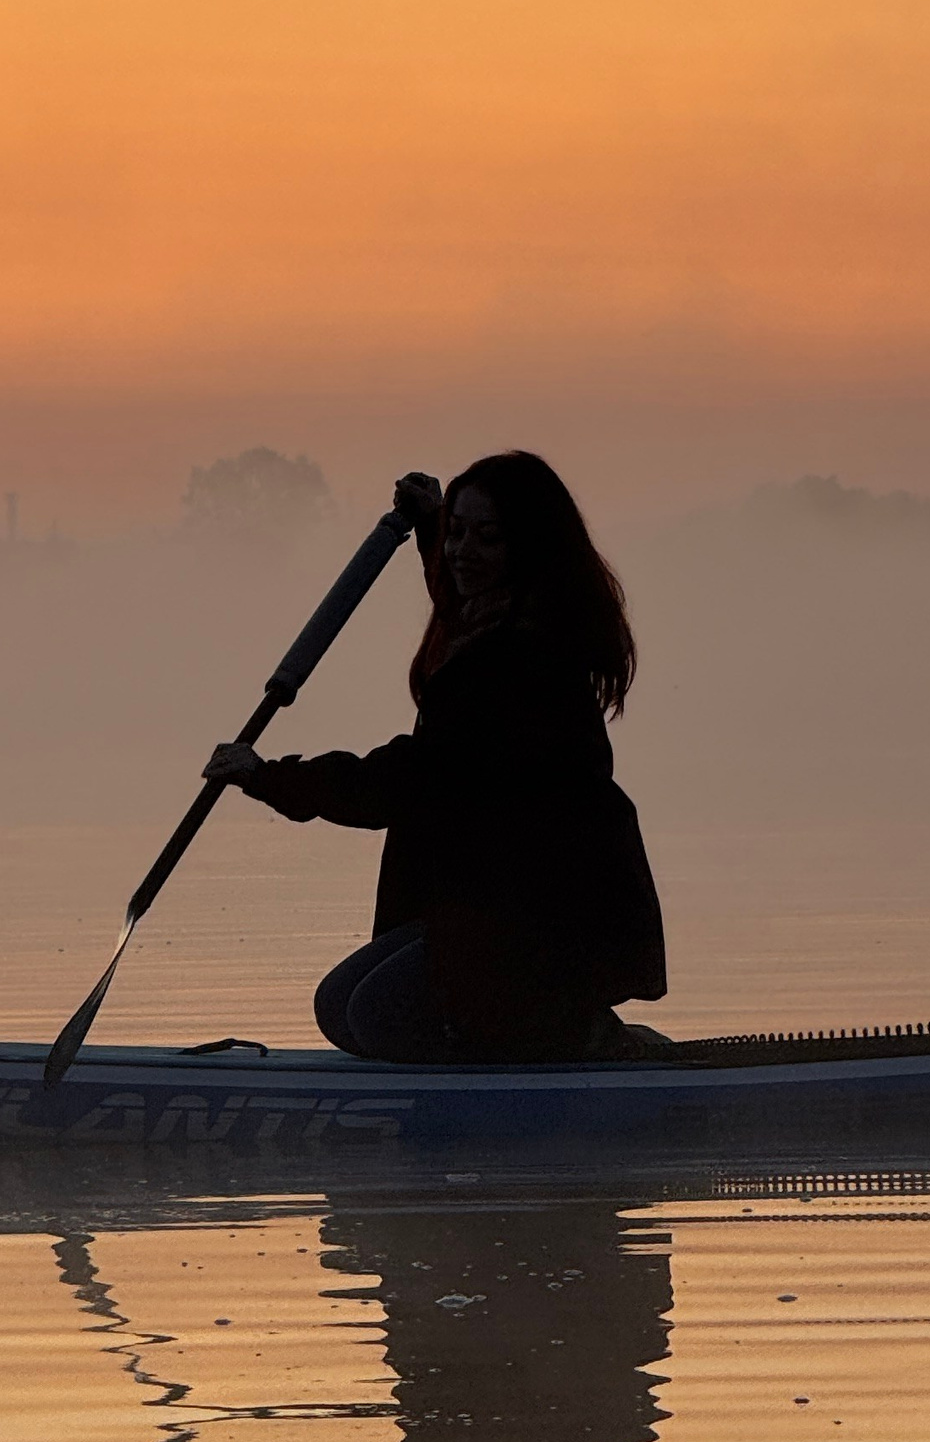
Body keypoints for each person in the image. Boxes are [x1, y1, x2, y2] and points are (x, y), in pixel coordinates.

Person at [208, 452, 667, 1062]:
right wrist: (429, 529)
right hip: (489, 900)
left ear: (528, 548)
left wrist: (268, 778)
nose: (462, 551)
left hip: (546, 915)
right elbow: (458, 605)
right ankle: (522, 1032)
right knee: (340, 1005)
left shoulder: (521, 660)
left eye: (488, 536)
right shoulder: (493, 623)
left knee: (375, 1015)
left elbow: (400, 782)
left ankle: (578, 1040)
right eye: (458, 532)